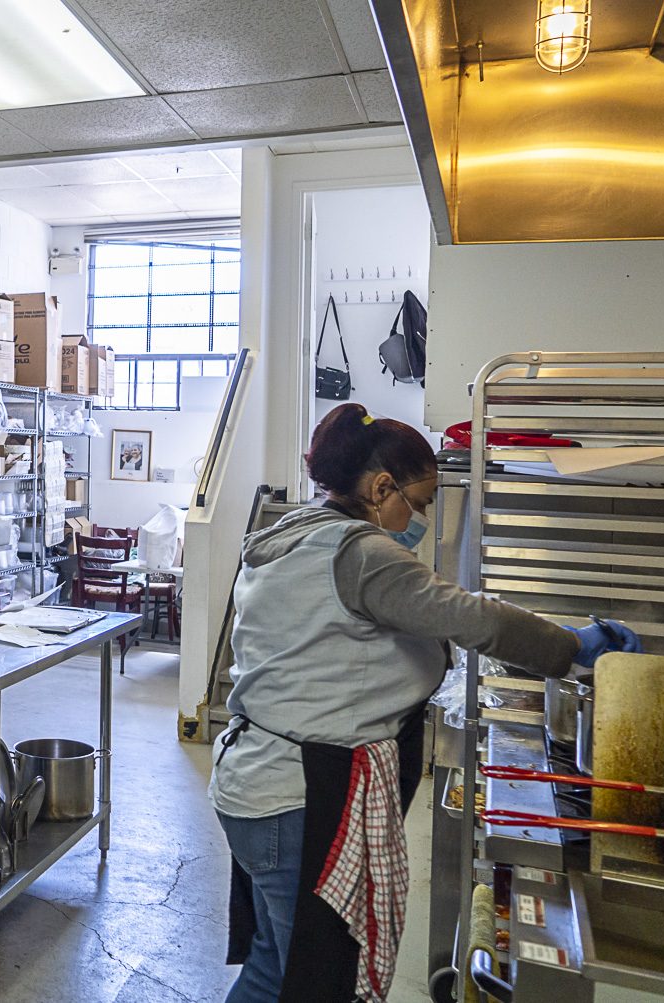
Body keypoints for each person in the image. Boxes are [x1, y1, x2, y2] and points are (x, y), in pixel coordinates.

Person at [211, 403, 640, 1003]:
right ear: (381, 486)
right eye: (418, 502)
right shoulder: (361, 555)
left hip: (253, 779)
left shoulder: (289, 535)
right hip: (298, 797)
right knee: (318, 983)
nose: (419, 517)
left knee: (273, 968)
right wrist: (571, 645)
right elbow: (473, 617)